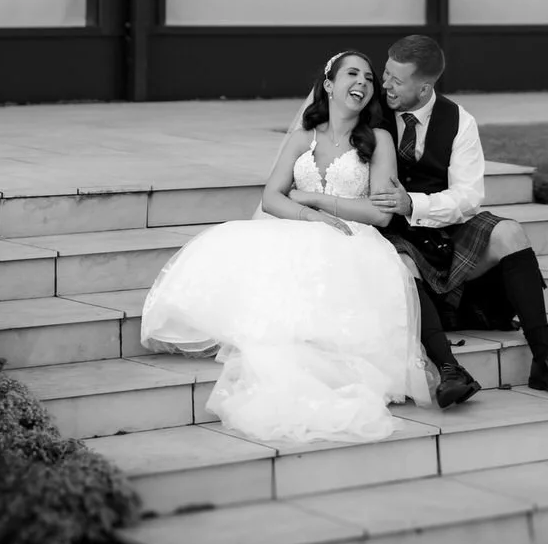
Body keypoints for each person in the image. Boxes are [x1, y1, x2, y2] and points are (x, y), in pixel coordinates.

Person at [140, 49, 471, 445]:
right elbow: (272, 197)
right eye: (353, 74)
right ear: (329, 85)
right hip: (297, 229)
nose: (364, 83)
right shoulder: (302, 137)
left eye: (369, 78)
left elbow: (380, 213)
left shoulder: (379, 140)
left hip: (353, 239)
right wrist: (308, 217)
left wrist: (316, 201)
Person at [370, 34, 548, 401]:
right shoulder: (372, 109)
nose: (385, 84)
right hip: (393, 232)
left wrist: (414, 205)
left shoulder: (459, 121)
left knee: (510, 232)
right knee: (399, 260)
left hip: (440, 229)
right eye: (386, 73)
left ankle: (545, 361)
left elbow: (468, 197)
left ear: (424, 88)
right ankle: (449, 367)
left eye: (396, 79)